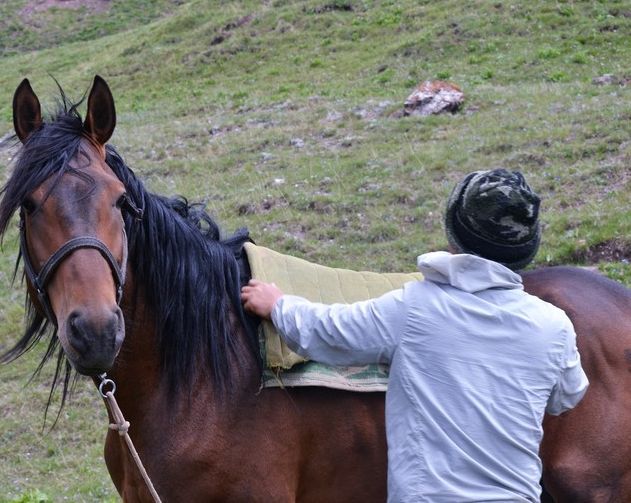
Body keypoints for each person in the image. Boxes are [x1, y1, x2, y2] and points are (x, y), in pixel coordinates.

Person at [241, 168, 589, 503]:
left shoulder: (417, 307)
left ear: (454, 239)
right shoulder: (553, 325)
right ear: (526, 249)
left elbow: (330, 332)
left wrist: (278, 306)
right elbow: (568, 395)